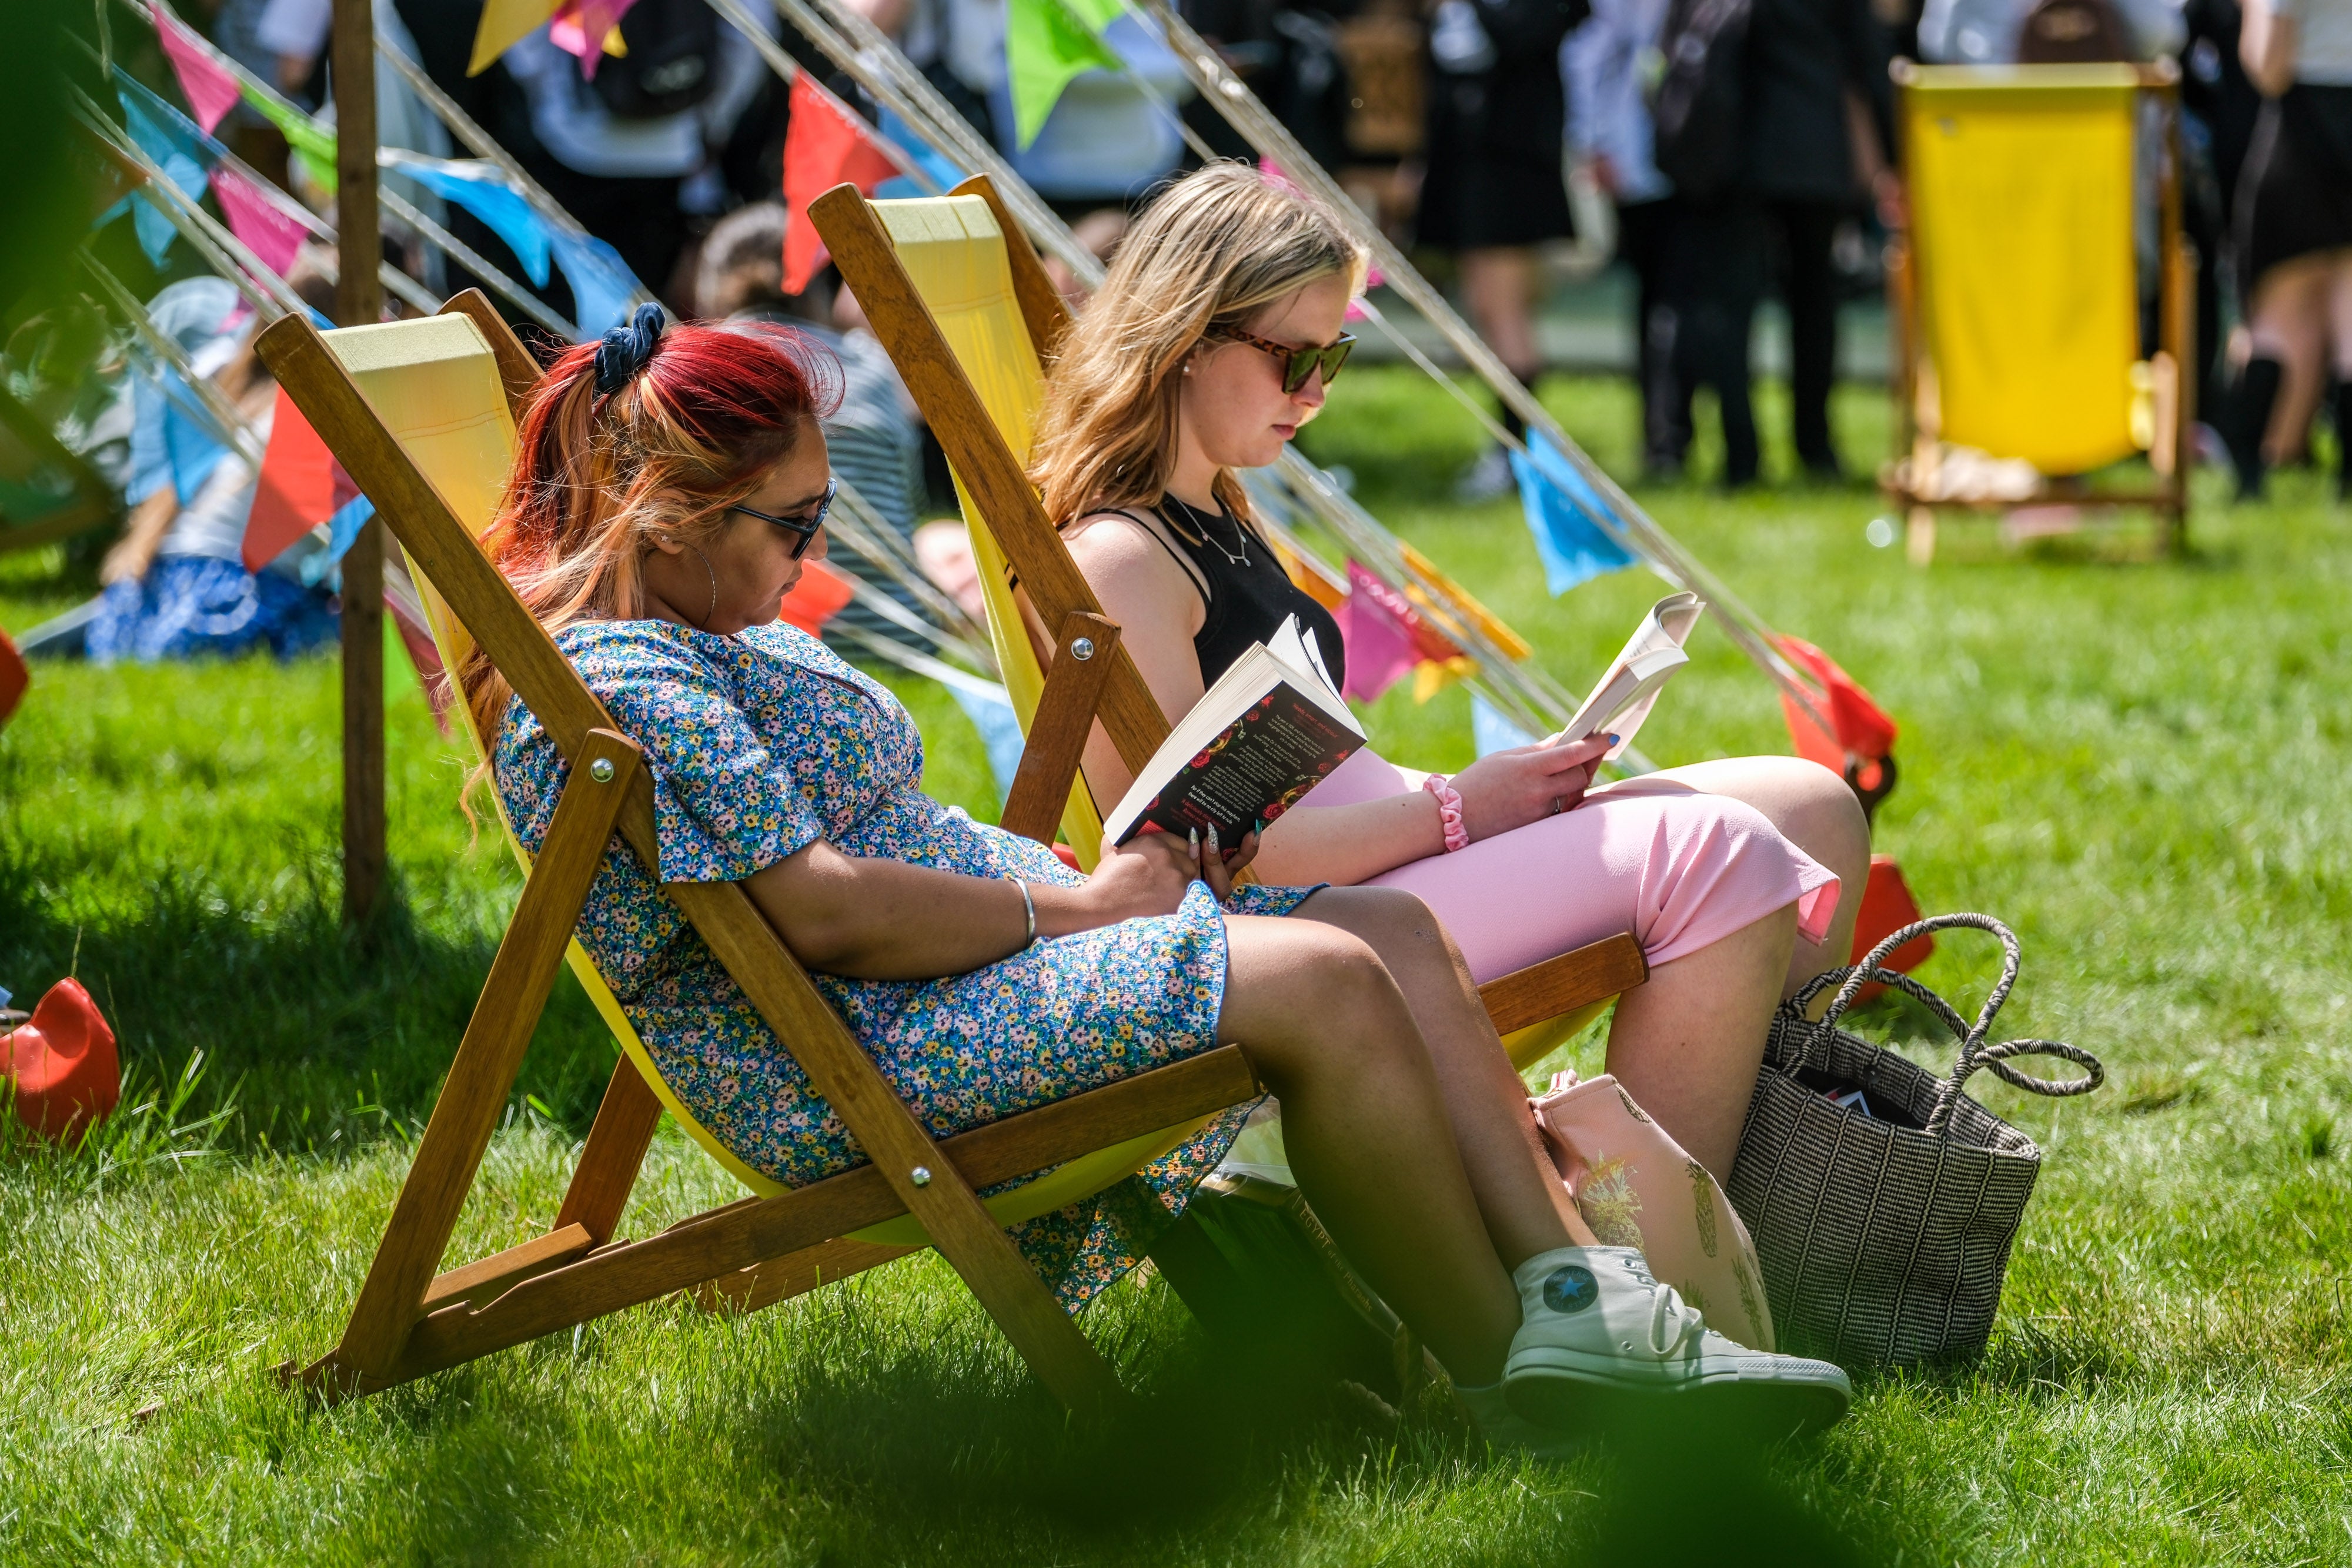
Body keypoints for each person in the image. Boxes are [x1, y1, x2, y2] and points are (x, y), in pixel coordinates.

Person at [459, 307, 1853, 1446]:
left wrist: (1139, 869)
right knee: (1321, 974)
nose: (811, 554)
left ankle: (1578, 1307)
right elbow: (823, 912)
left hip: (969, 972)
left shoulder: (717, 635)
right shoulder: (622, 676)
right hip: (863, 1046)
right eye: (790, 525)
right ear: (661, 512)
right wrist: (1082, 903)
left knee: (1384, 926)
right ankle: (1515, 1387)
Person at [1030, 165, 1872, 1184]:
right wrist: (1463, 809)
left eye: (1332, 354)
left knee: (1814, 806)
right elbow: (1182, 864)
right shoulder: (1125, 557)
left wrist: (1475, 807)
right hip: (1304, 924)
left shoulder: (1217, 509)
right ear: (1184, 335)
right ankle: (1645, 1254)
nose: (1318, 392)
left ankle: (1761, 1199)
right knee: (1720, 846)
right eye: (1292, 356)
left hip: (1389, 863)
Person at [1418, 0, 1586, 500]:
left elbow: (1526, 33)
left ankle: (1520, 460)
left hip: (1508, 165)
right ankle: (1513, 454)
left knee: (1505, 311)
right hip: (1468, 160)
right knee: (1489, 312)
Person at [2224, 0, 2352, 500]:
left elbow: (2269, 67)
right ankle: (2346, 477)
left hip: (2303, 128)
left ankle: (2251, 474)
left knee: (2276, 310)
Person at [1563, 0, 1688, 475]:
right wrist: (1594, 142)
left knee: (1667, 304)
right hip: (1644, 156)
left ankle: (1668, 438)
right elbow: (1595, 54)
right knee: (1662, 303)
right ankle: (1665, 438)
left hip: (1663, 154)